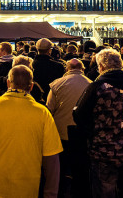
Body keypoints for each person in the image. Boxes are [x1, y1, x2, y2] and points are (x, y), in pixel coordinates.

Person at [0, 65, 63, 198]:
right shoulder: (42, 112)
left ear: (8, 83)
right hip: (27, 184)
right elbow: (51, 158)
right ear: (31, 86)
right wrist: (50, 192)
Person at [73, 48, 123, 198]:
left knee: (104, 190)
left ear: (102, 66)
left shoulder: (98, 87)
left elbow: (79, 114)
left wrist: (92, 131)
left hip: (104, 150)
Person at [46, 58, 91, 197]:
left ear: (67, 69)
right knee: (80, 168)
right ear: (82, 69)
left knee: (62, 167)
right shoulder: (91, 84)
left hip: (61, 132)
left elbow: (49, 109)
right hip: (83, 132)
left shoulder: (57, 84)